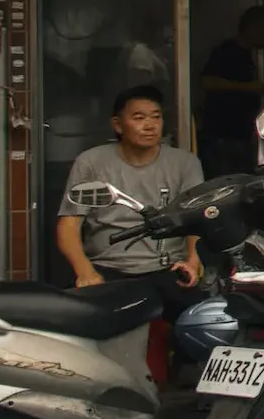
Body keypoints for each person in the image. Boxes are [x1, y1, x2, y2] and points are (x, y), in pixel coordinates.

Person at [55, 85, 208, 320]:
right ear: (117, 125)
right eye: (139, 118)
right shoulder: (91, 162)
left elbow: (196, 219)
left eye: (156, 117)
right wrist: (85, 271)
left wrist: (193, 260)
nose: (150, 125)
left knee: (204, 319)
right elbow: (69, 225)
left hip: (167, 269)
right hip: (107, 269)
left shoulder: (185, 163)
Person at [200, 5, 264, 178]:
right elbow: (207, 82)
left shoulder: (251, 55)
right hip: (223, 137)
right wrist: (249, 87)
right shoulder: (227, 52)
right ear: (252, 28)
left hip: (241, 136)